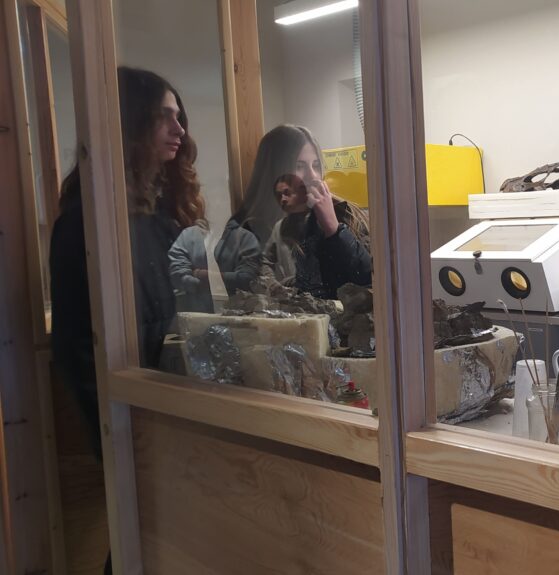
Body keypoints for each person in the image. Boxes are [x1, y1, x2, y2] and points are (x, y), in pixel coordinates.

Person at [50, 66, 203, 575]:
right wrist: (113, 427)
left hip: (176, 402)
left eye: (179, 117)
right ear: (130, 123)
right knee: (142, 529)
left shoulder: (165, 217)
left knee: (168, 532)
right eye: (164, 117)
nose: (179, 129)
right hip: (129, 411)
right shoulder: (85, 223)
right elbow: (73, 344)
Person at [230, 125, 372, 298]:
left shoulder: (348, 213)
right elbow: (257, 282)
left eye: (316, 165)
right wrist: (286, 288)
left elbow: (372, 278)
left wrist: (334, 230)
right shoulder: (261, 228)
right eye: (299, 166)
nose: (312, 175)